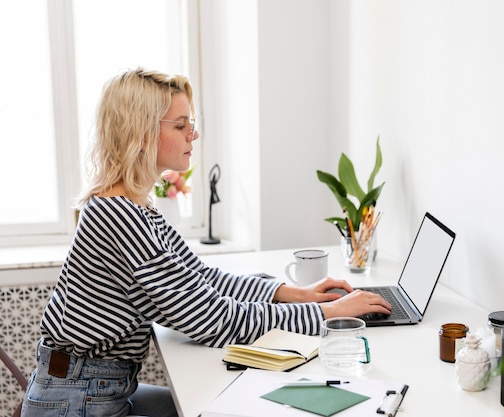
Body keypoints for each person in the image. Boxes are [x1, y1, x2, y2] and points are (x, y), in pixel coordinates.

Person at [21, 67, 392, 417]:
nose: (193, 135)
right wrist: (328, 314)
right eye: (181, 125)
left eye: (191, 125)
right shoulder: (119, 215)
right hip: (78, 399)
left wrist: (293, 293)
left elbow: (202, 278)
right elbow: (213, 319)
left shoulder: (136, 207)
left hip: (98, 386)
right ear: (142, 133)